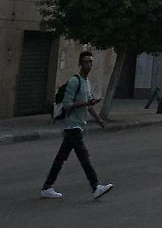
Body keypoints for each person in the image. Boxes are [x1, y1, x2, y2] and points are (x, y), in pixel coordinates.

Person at [42, 50, 113, 201]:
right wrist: (85, 104)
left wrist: (99, 120)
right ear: (80, 64)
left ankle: (47, 187)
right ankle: (96, 186)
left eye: (91, 62)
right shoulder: (75, 81)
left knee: (61, 158)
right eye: (86, 62)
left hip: (76, 126)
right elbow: (67, 104)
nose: (89, 64)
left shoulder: (86, 83)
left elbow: (89, 105)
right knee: (84, 157)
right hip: (72, 126)